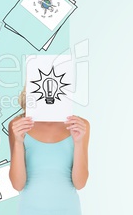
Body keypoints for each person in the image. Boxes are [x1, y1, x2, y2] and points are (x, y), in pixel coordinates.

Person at [9, 87, 90, 215]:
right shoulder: (19, 125)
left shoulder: (79, 125)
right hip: (29, 210)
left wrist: (78, 142)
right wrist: (18, 142)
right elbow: (17, 185)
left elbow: (80, 183)